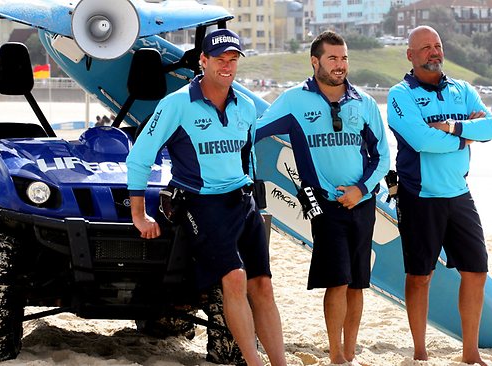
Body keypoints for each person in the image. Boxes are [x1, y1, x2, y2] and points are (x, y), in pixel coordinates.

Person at [126, 28, 287, 366]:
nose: (227, 66)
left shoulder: (244, 104)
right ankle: (253, 363)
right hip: (201, 203)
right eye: (219, 59)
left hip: (242, 202)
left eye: (233, 59)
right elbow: (139, 157)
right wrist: (139, 215)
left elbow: (247, 157)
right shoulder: (177, 104)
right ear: (203, 61)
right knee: (235, 277)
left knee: (263, 286)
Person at [256, 30, 390, 366]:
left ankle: (349, 352)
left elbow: (382, 157)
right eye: (332, 58)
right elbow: (253, 132)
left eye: (344, 58)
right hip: (321, 202)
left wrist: (361, 189)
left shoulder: (364, 103)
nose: (340, 64)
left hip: (361, 201)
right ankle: (335, 355)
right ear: (315, 61)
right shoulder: (294, 100)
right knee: (338, 278)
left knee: (358, 281)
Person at [386, 25, 492, 365]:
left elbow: (490, 128)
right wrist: (466, 135)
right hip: (419, 195)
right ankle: (420, 351)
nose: (434, 52)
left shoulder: (462, 90)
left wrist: (452, 127)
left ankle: (470, 352)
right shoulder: (400, 94)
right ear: (410, 55)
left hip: (459, 193)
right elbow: (421, 140)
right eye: (425, 48)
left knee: (476, 271)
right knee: (420, 276)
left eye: (437, 45)